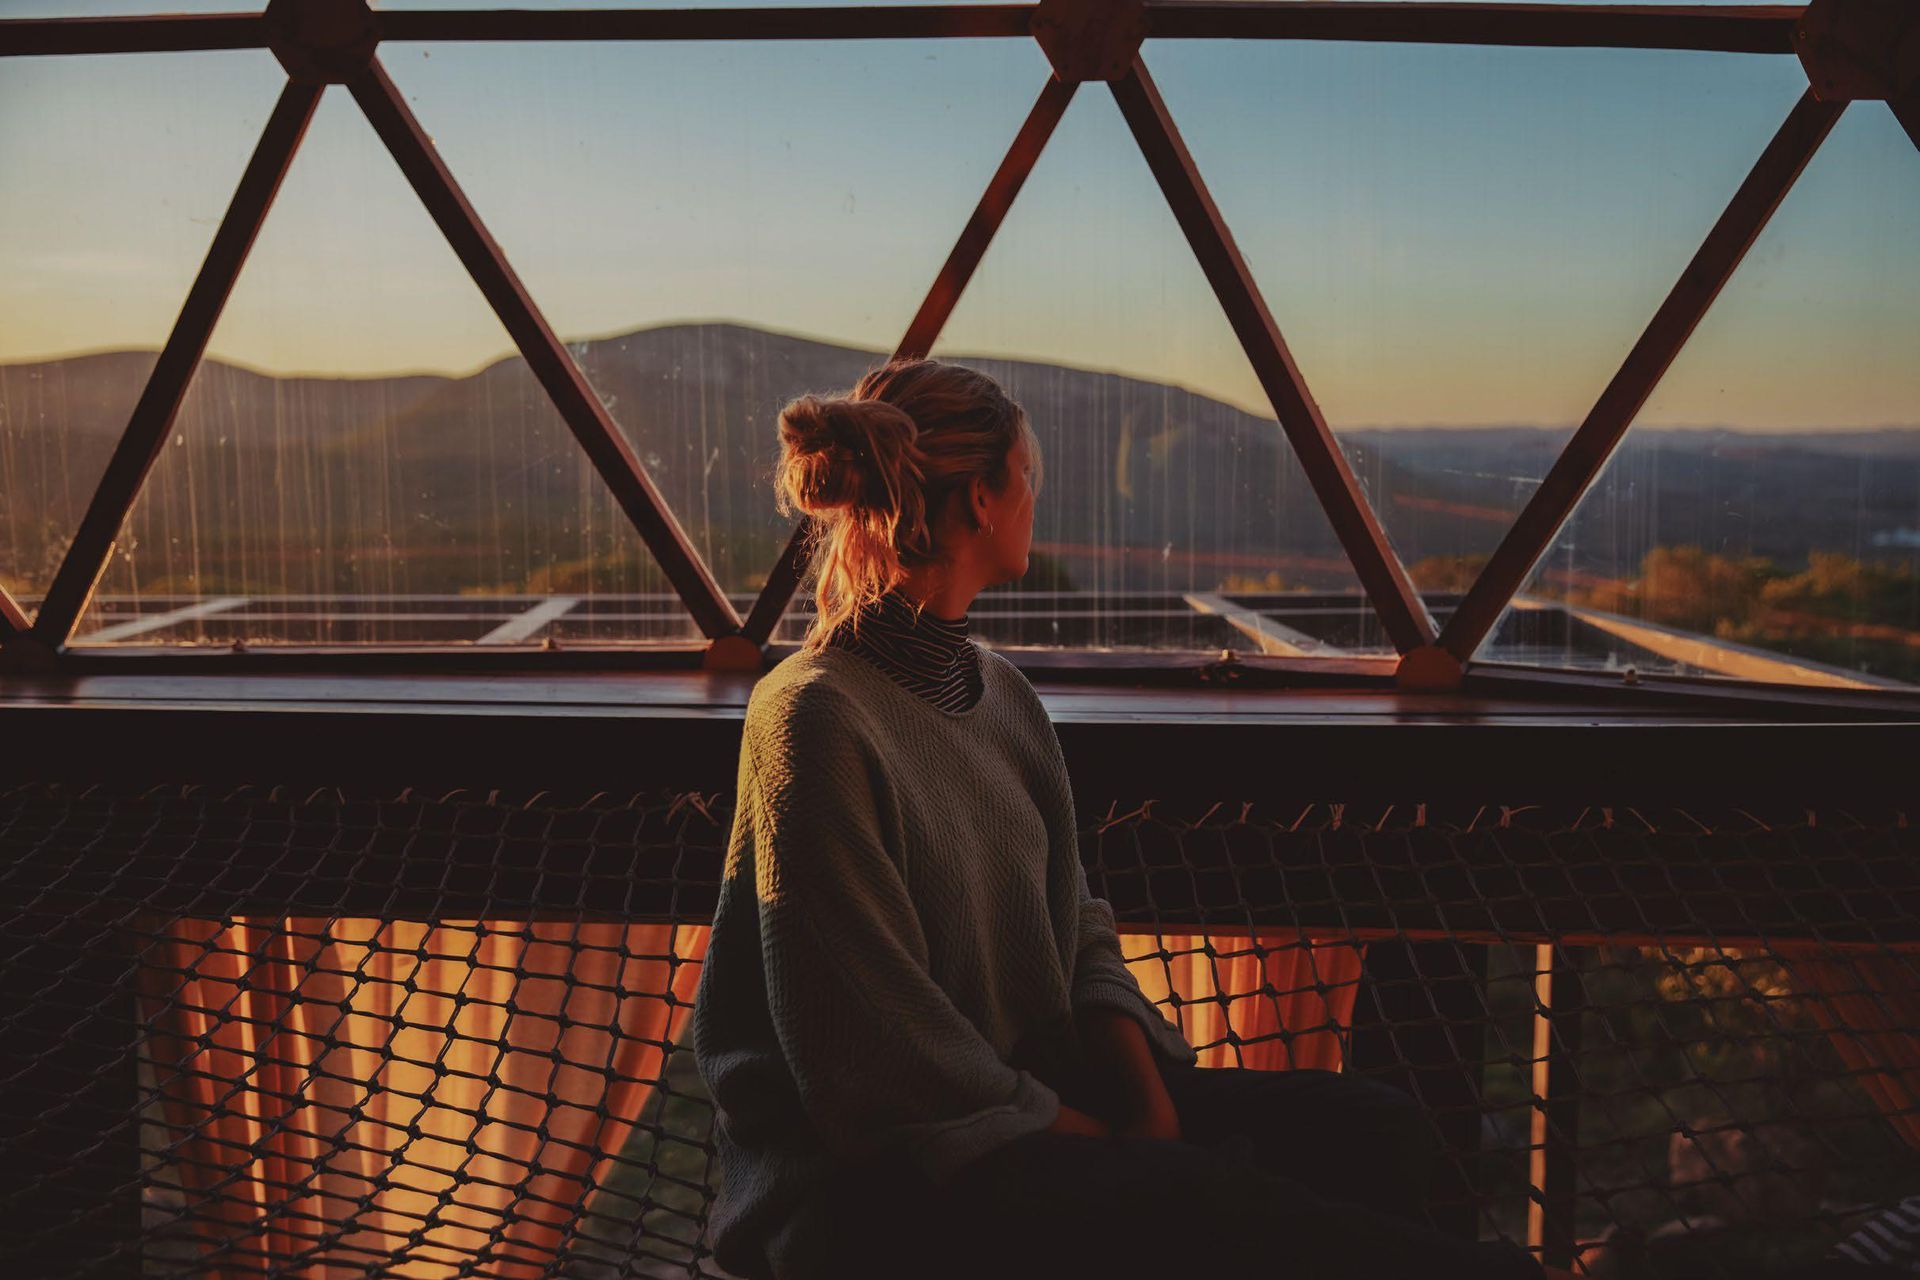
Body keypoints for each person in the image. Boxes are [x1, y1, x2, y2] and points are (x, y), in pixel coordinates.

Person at [689, 358, 1550, 1280]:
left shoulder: (1000, 694)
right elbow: (873, 1053)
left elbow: (1078, 923)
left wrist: (1150, 1106)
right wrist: (1105, 1141)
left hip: (1033, 1103)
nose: (1034, 500)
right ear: (982, 500)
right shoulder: (814, 716)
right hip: (882, 1185)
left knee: (1377, 1130)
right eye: (1028, 477)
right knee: (1235, 1208)